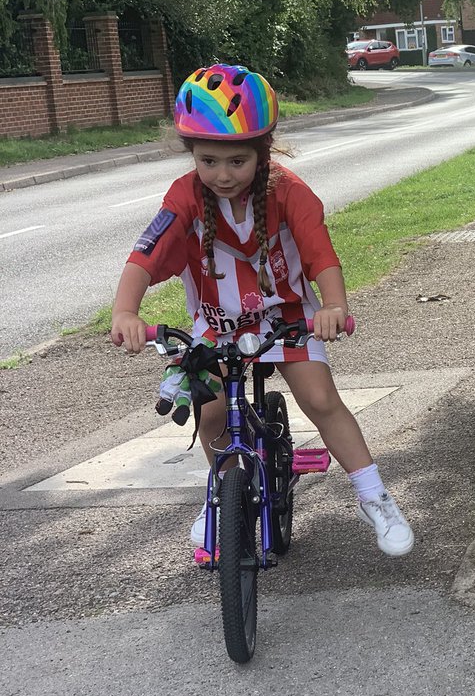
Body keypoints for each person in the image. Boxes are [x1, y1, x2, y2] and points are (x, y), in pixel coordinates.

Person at [110, 63, 414, 558]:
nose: (222, 175)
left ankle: (374, 496)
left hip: (287, 318)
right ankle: (221, 495)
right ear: (192, 155)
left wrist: (334, 306)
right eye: (208, 161)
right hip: (217, 324)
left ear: (263, 152)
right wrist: (126, 311)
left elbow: (321, 255)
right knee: (211, 414)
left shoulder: (289, 191)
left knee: (320, 399)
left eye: (238, 161)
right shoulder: (184, 196)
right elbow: (145, 254)